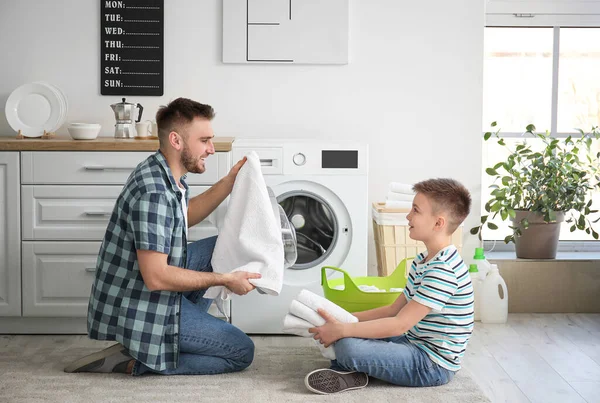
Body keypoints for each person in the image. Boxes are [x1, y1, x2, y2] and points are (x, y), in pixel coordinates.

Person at [64, 97, 261, 376]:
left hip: (146, 290)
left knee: (221, 248)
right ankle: (136, 360)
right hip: (141, 306)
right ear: (176, 141)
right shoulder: (154, 192)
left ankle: (168, 338)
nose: (211, 149)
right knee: (241, 352)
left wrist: (229, 182)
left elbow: (183, 216)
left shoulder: (166, 173)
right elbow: (156, 277)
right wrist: (226, 280)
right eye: (204, 140)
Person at [305, 178, 474, 394]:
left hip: (431, 363)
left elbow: (399, 324)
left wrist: (343, 329)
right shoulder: (423, 260)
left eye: (415, 210)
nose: (408, 216)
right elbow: (393, 310)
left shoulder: (443, 271)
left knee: (347, 346)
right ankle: (355, 371)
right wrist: (344, 318)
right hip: (412, 340)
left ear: (438, 223)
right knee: (347, 335)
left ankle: (352, 369)